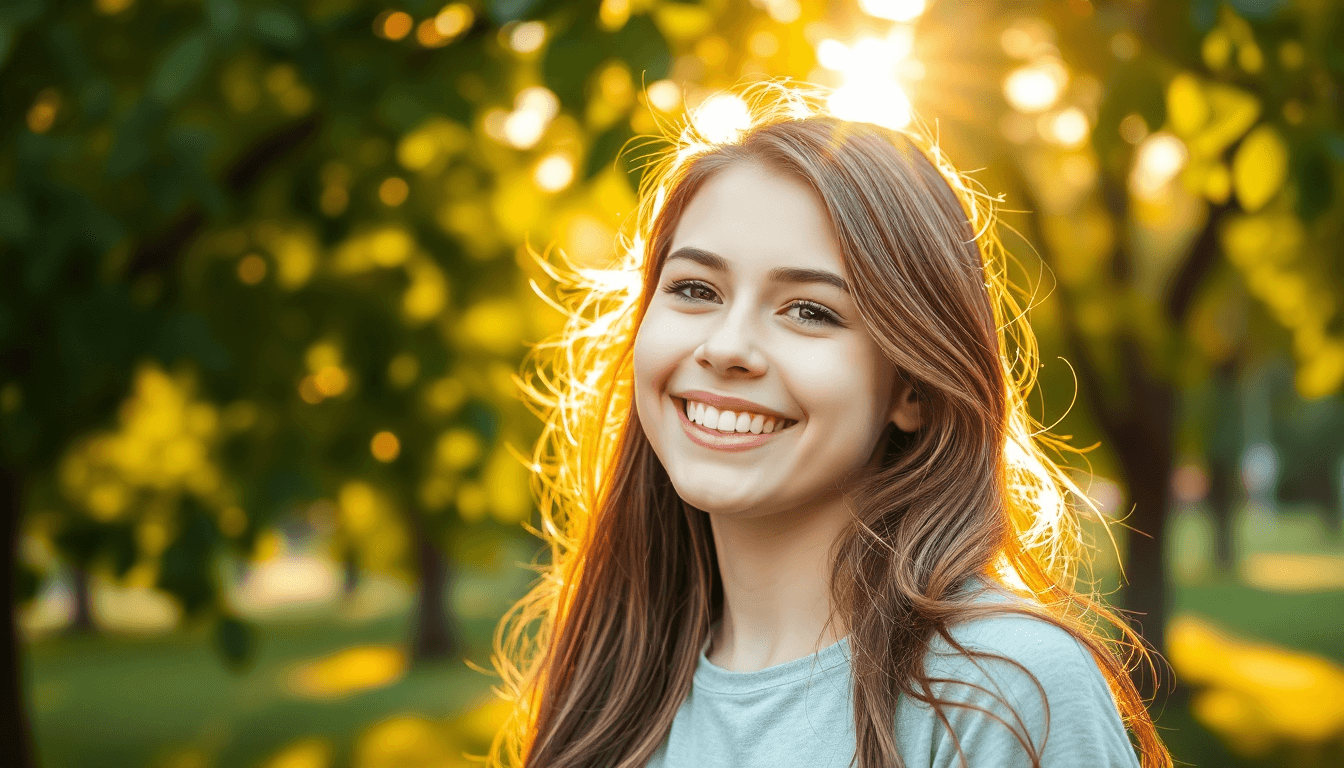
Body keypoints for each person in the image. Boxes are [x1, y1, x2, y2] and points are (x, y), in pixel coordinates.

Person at [486, 83, 1172, 768]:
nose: (726, 347)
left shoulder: (1003, 689)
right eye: (697, 290)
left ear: (912, 386)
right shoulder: (610, 683)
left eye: (810, 310)